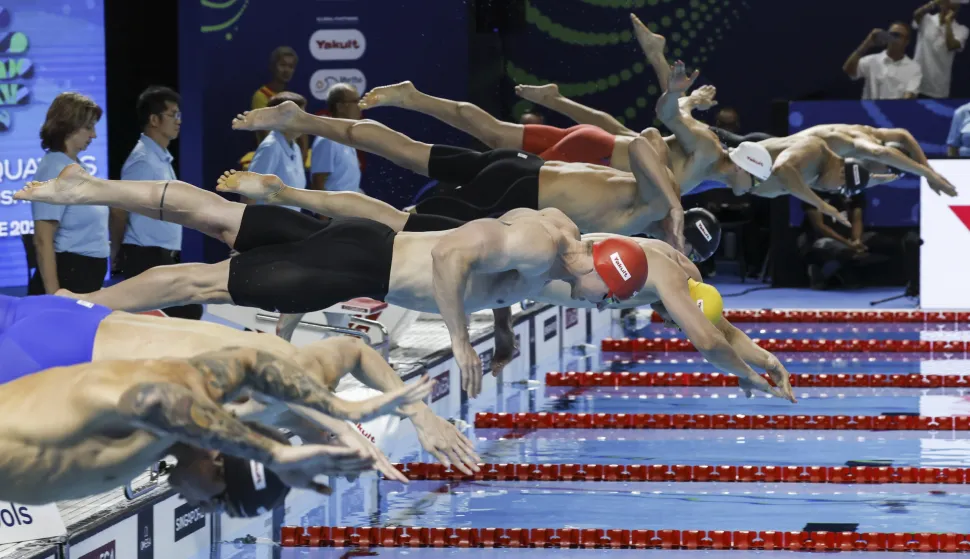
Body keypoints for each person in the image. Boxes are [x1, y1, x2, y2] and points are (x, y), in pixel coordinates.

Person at [13, 167, 777, 400]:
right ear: (594, 264)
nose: (596, 301)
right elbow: (451, 261)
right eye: (599, 291)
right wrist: (461, 342)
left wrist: (754, 357)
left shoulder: (582, 247)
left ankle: (88, 187)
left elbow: (704, 325)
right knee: (202, 278)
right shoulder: (541, 239)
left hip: (365, 247)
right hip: (361, 267)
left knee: (218, 217)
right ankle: (71, 309)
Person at [0, 292, 478, 477]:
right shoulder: (278, 392)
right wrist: (357, 424)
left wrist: (420, 417)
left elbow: (354, 351)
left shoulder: (285, 397)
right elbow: (279, 371)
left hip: (68, 316)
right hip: (62, 354)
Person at [0, 345, 434, 512]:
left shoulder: (193, 388)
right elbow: (151, 402)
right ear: (217, 460)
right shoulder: (149, 426)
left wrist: (335, 406)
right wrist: (273, 454)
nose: (204, 510)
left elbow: (249, 362)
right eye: (218, 502)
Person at [233, 95, 688, 251]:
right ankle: (286, 198)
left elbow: (647, 140)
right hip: (516, 194)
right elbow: (645, 139)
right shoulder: (653, 208)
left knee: (410, 153)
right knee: (400, 221)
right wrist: (674, 210)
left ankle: (303, 120)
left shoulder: (651, 197)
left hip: (521, 168)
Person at [113, 86, 201, 320]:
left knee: (186, 313)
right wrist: (116, 252)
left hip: (160, 256)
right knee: (186, 313)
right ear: (154, 120)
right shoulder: (142, 161)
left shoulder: (160, 159)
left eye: (179, 115)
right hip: (145, 256)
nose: (179, 121)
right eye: (173, 115)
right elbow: (119, 207)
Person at [28, 92, 109, 296]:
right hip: (68, 277)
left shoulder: (75, 167)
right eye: (88, 127)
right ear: (69, 126)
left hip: (83, 276)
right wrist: (54, 297)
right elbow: (42, 239)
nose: (94, 135)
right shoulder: (54, 170)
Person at [799, 192, 899, 290]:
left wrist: (857, 241)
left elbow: (857, 220)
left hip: (849, 238)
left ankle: (844, 268)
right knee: (842, 250)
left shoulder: (854, 191)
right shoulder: (812, 192)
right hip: (820, 239)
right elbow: (820, 227)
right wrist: (848, 244)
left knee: (885, 243)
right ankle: (820, 272)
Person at [247, 92, 308, 211]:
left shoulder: (295, 147)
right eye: (299, 116)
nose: (305, 121)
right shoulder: (270, 147)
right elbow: (249, 193)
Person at [843, 22, 923, 99]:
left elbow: (909, 95)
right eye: (891, 34)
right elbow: (848, 70)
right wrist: (866, 43)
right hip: (871, 107)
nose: (893, 38)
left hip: (897, 108)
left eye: (897, 35)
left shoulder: (914, 68)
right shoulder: (872, 60)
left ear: (906, 41)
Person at [310, 84, 363, 195]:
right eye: (356, 101)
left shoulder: (346, 138)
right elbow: (317, 185)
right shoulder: (327, 140)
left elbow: (345, 183)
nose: (361, 106)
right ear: (340, 107)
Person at [912, 0, 968, 99]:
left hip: (938, 90)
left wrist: (948, 23)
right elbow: (916, 15)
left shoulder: (962, 29)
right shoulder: (926, 19)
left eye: (955, 6)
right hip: (915, 84)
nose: (952, 7)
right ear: (941, 4)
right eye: (948, 3)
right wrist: (933, 3)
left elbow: (951, 45)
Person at [251, 46, 299, 144]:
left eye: (291, 66)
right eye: (282, 65)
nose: (286, 70)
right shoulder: (261, 96)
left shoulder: (293, 98)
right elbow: (266, 133)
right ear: (273, 66)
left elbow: (302, 134)